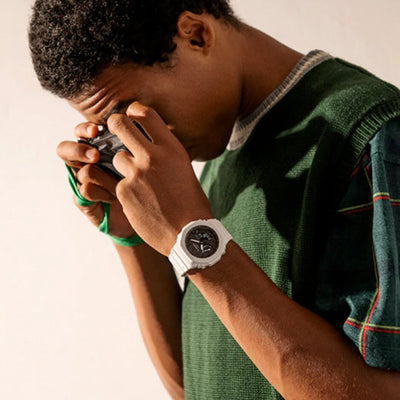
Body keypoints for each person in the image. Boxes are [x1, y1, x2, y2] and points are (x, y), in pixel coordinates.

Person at [29, 1, 400, 399]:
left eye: (135, 114)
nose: (136, 141)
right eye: (113, 131)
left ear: (196, 35)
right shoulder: (216, 154)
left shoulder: (371, 138)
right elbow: (196, 386)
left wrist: (192, 237)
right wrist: (130, 232)